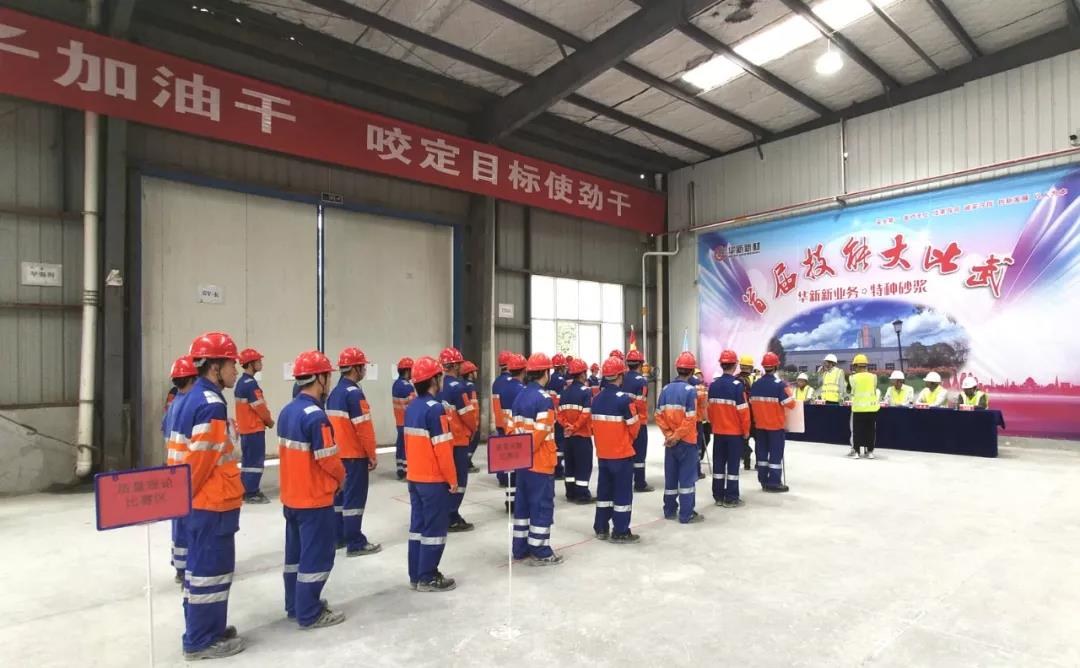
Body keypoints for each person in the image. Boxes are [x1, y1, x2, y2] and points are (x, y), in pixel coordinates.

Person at [173, 332, 245, 660]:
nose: (235, 370)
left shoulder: (191, 397)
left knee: (201, 570)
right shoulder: (211, 405)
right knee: (210, 572)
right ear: (215, 367)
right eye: (231, 364)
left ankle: (208, 629)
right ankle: (201, 640)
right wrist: (187, 495)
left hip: (201, 502)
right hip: (211, 502)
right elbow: (199, 463)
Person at [278, 350, 347, 629]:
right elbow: (328, 459)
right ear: (319, 379)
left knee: (294, 557)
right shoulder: (316, 417)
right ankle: (310, 612)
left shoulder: (287, 411)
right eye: (327, 376)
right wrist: (342, 478)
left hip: (291, 498)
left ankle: (295, 605)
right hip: (314, 500)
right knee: (316, 556)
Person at [403, 356, 458, 592]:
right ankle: (428, 576)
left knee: (418, 527)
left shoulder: (412, 407)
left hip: (415, 477)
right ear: (434, 380)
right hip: (433, 480)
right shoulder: (436, 409)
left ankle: (416, 575)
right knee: (434, 529)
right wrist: (452, 479)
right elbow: (443, 449)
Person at [325, 347, 381, 557]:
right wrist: (371, 454)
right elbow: (363, 428)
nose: (364, 370)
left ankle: (338, 537)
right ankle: (355, 542)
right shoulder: (355, 394)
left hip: (338, 455)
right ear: (355, 368)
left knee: (339, 499)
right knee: (354, 500)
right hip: (354, 456)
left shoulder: (334, 393)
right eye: (363, 366)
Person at [510, 353, 563, 566]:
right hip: (540, 462)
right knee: (541, 507)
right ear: (546, 373)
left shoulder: (520, 396)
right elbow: (540, 433)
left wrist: (521, 453)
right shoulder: (544, 399)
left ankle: (520, 548)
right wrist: (529, 450)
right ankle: (540, 550)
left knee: (522, 507)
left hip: (522, 463)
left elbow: (512, 429)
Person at [591, 356, 641, 543]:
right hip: (621, 455)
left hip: (603, 454)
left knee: (604, 492)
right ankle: (620, 531)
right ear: (621, 375)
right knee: (622, 494)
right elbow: (634, 428)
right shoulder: (624, 400)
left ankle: (601, 528)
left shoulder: (596, 399)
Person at [657, 352, 704, 524]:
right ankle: (686, 514)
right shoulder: (690, 391)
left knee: (670, 478)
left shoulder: (665, 389)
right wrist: (677, 436)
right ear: (691, 371)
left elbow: (658, 415)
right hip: (687, 442)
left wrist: (669, 435)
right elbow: (691, 419)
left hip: (671, 443)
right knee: (687, 479)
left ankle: (669, 510)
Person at [164, 355, 197, 584]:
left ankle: (180, 565)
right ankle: (187, 567)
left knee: (178, 521)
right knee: (189, 521)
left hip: (173, 469)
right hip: (188, 470)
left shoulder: (174, 404)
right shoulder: (191, 405)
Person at [437, 347, 478, 532]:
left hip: (443, 439)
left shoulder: (438, 386)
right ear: (454, 366)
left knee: (446, 479)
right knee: (459, 480)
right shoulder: (459, 387)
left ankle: (444, 513)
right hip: (459, 440)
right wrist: (474, 429)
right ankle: (451, 516)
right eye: (459, 364)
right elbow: (467, 415)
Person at [708, 350, 751, 508]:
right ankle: (731, 498)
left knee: (718, 464)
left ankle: (718, 496)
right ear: (735, 365)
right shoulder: (737, 386)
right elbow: (743, 412)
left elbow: (710, 410)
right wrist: (746, 431)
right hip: (734, 434)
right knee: (732, 466)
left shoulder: (713, 385)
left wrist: (715, 425)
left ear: (721, 364)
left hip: (718, 432)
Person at [749, 352, 796, 493]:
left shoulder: (755, 385)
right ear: (776, 366)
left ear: (764, 367)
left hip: (760, 426)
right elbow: (791, 404)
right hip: (775, 426)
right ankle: (774, 482)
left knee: (761, 454)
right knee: (775, 454)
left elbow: (751, 402)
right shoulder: (780, 386)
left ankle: (763, 480)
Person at [234, 348, 275, 504]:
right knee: (255, 462)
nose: (260, 363)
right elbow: (260, 407)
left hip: (246, 429)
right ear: (251, 364)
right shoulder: (251, 384)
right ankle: (251, 492)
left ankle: (245, 489)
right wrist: (269, 421)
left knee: (248, 461)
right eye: (258, 361)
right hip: (254, 429)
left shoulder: (241, 383)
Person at [558, 358, 594, 504]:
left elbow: (559, 414)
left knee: (570, 465)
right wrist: (575, 426)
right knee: (583, 465)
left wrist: (567, 426)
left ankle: (570, 492)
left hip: (568, 436)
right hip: (582, 435)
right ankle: (582, 494)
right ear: (583, 374)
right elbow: (586, 413)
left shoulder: (564, 392)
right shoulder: (586, 392)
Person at [498, 354, 528, 511]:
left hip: (506, 429)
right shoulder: (522, 390)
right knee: (520, 469)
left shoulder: (503, 387)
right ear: (524, 370)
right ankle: (518, 502)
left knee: (510, 468)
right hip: (518, 431)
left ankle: (509, 500)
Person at [622, 349, 653, 492]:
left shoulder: (621, 377)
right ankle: (640, 483)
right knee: (639, 453)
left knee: (626, 450)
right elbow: (640, 404)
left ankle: (626, 480)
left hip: (623, 421)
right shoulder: (642, 381)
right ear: (640, 364)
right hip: (639, 422)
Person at [847, 354, 880, 459]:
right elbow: (874, 390)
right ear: (866, 365)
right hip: (871, 408)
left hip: (858, 409)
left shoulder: (852, 378)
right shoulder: (873, 377)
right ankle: (870, 452)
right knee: (870, 431)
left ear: (856, 366)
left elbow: (851, 391)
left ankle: (857, 452)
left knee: (857, 431)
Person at [491, 351, 513, 488]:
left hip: (500, 422)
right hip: (510, 423)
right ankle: (508, 477)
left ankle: (501, 476)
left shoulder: (496, 383)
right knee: (511, 452)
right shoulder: (513, 383)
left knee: (502, 451)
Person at [392, 358, 416, 481]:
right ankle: (407, 471)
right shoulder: (408, 387)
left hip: (399, 420)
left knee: (400, 444)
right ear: (407, 371)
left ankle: (400, 469)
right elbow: (414, 405)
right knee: (407, 447)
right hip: (407, 421)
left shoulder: (396, 384)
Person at [547, 353, 569, 480]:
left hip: (550, 415)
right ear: (561, 367)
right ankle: (558, 469)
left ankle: (553, 466)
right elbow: (561, 400)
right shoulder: (561, 380)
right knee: (560, 444)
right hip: (558, 416)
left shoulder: (549, 378)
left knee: (553, 441)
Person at [737, 355, 758, 471]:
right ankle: (759, 463)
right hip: (754, 414)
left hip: (741, 413)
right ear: (751, 367)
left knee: (744, 439)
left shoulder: (736, 379)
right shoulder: (755, 379)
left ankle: (746, 462)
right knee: (758, 439)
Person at [461, 361, 481, 472]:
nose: (476, 373)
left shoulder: (461, 384)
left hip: (463, 420)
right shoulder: (471, 386)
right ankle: (467, 462)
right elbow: (474, 407)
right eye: (475, 371)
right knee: (474, 440)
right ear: (470, 374)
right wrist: (475, 425)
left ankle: (465, 462)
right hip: (471, 420)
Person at [690, 369, 710, 480]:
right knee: (697, 447)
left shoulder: (679, 383)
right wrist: (706, 418)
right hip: (697, 421)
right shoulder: (700, 387)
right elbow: (704, 405)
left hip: (684, 420)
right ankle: (697, 471)